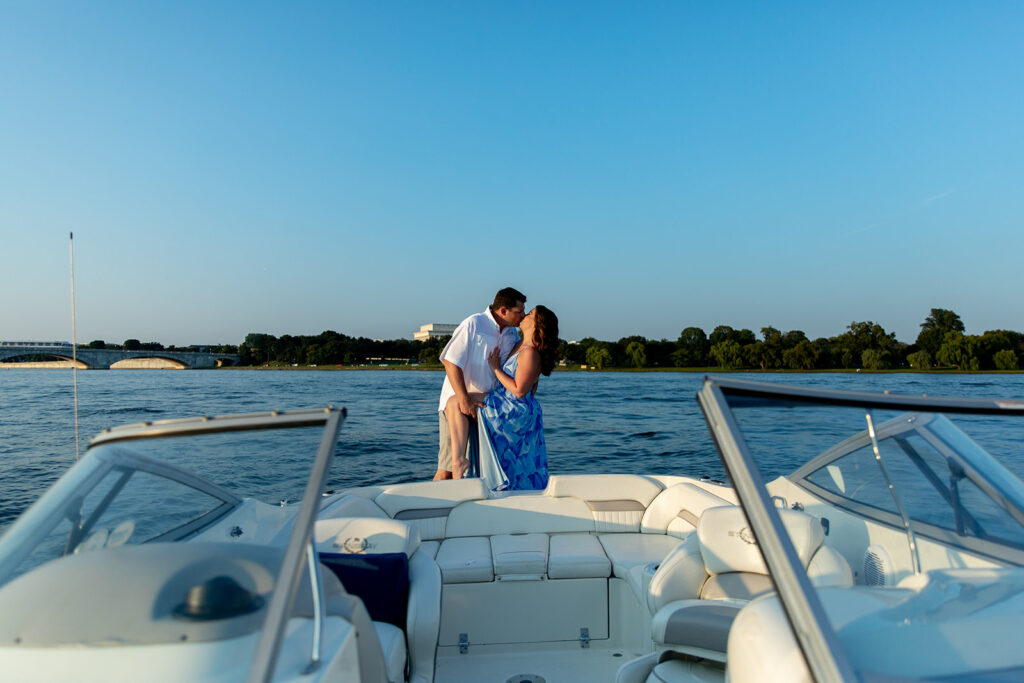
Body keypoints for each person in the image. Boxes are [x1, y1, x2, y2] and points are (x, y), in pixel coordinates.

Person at [453, 305, 559, 490]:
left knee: (456, 402)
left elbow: (520, 391)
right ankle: (461, 461)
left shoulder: (530, 352)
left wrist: (496, 368)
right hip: (507, 402)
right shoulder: (519, 344)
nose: (525, 315)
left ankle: (459, 461)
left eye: (530, 314)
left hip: (513, 408)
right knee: (456, 402)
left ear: (537, 324)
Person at [434, 287, 526, 481]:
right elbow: (450, 361)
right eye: (519, 312)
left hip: (485, 410)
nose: (523, 316)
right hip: (458, 406)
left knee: (475, 469)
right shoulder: (474, 324)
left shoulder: (512, 335)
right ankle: (429, 509)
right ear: (503, 311)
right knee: (448, 468)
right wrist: (463, 399)